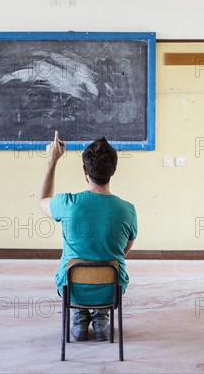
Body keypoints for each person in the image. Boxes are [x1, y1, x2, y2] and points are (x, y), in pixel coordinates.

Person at [38, 131, 137, 342]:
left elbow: (43, 200)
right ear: (114, 170)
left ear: (85, 170)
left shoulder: (67, 203)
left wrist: (51, 161)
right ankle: (101, 320)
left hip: (72, 289)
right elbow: (124, 248)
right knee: (106, 267)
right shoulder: (128, 210)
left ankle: (80, 318)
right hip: (111, 290)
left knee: (75, 279)